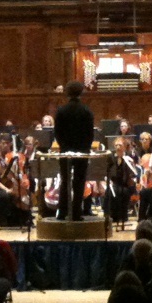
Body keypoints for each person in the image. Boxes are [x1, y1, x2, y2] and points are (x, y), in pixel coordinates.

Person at [54, 81, 95, 221]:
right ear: (81, 92)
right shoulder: (86, 111)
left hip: (65, 150)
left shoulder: (61, 110)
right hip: (82, 150)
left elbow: (57, 133)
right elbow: (90, 134)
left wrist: (64, 146)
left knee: (65, 180)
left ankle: (62, 212)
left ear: (67, 93)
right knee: (79, 181)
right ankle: (77, 213)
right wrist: (85, 147)